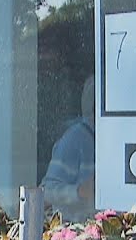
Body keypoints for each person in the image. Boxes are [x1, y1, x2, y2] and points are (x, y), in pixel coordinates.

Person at [41, 76, 96, 221]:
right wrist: (78, 191)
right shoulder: (76, 138)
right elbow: (45, 192)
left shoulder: (119, 142)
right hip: (74, 236)